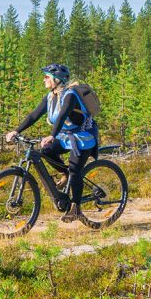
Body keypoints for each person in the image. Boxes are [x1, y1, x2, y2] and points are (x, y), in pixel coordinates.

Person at [9, 63, 99, 221]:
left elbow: (63, 115)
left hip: (83, 136)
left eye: (47, 77)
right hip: (66, 136)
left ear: (57, 80)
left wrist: (51, 135)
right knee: (46, 150)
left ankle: (76, 208)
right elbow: (34, 115)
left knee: (75, 170)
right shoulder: (51, 97)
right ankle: (64, 174)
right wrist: (17, 130)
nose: (43, 79)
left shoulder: (70, 95)